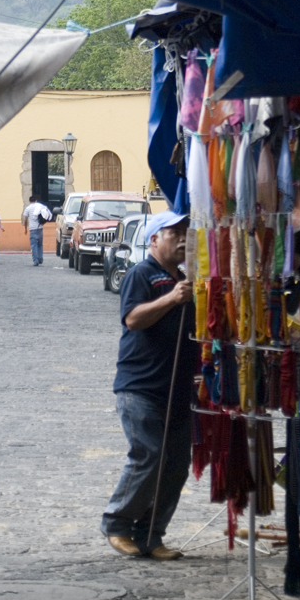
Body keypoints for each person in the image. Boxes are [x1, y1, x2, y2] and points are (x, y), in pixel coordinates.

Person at [101, 210, 197, 560]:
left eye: (186, 231)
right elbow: (133, 318)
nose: (183, 237)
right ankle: (116, 523)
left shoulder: (186, 280)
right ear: (155, 239)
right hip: (139, 387)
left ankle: (151, 535)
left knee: (176, 465)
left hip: (179, 389)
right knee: (149, 455)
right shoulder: (142, 273)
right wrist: (172, 298)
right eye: (175, 232)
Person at [21, 193, 52, 266]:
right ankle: (40, 258)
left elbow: (25, 219)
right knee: (40, 244)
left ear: (29, 201)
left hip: (32, 228)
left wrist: (25, 228)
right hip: (40, 228)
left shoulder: (27, 208)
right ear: (36, 200)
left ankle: (35, 261)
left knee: (33, 245)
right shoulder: (40, 206)